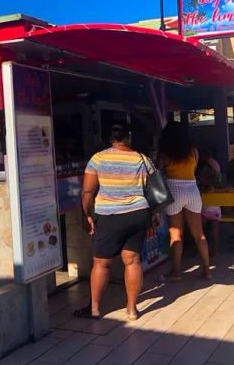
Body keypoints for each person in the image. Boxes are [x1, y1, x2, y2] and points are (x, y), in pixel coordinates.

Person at [77, 122, 153, 321]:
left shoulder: (98, 158)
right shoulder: (142, 158)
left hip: (110, 216)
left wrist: (87, 215)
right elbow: (150, 188)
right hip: (138, 213)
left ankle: (94, 309)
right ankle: (131, 309)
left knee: (101, 264)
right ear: (128, 137)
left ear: (110, 138)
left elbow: (87, 191)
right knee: (133, 261)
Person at [157, 121, 211, 281]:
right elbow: (192, 170)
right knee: (199, 235)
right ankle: (207, 270)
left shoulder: (165, 154)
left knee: (176, 235)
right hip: (192, 191)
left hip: (173, 191)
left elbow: (158, 171)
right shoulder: (193, 151)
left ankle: (176, 272)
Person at [196, 148, 222, 258]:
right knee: (209, 233)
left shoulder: (210, 187)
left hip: (211, 211)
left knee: (210, 233)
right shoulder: (203, 187)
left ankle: (213, 250)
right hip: (209, 211)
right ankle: (210, 250)